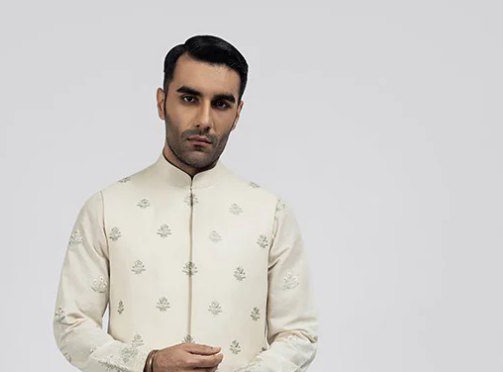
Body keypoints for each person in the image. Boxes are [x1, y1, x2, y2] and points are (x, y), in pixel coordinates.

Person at [52, 35, 319, 371]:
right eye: (189, 98)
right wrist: (148, 363)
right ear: (162, 102)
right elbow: (71, 324)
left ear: (238, 113)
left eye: (221, 104)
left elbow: (298, 334)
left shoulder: (270, 214)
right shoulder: (107, 208)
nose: (204, 120)